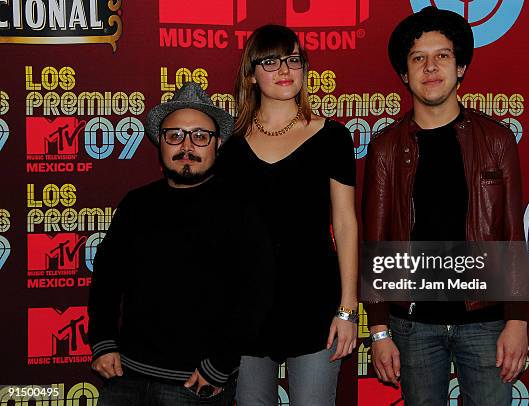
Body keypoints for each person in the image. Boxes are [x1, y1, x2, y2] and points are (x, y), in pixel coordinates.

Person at [362, 7, 529, 406]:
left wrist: (518, 319)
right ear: (404, 74)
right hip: (413, 325)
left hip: (486, 321)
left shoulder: (496, 139)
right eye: (418, 58)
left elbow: (512, 236)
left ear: (461, 68)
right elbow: (376, 242)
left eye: (442, 56)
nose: (431, 67)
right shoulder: (386, 147)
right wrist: (380, 330)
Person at [88, 82, 272, 406]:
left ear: (217, 144)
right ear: (160, 142)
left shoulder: (240, 210)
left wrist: (219, 366)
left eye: (200, 136)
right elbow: (106, 276)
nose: (187, 145)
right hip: (125, 380)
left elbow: (255, 295)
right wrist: (102, 340)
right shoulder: (136, 204)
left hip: (195, 386)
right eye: (175, 135)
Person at [216, 24, 358, 405]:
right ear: (251, 74)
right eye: (271, 60)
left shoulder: (332, 138)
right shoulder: (230, 150)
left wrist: (348, 308)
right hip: (248, 312)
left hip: (315, 304)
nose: (284, 69)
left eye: (293, 59)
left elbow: (345, 225)